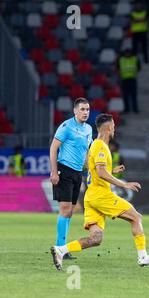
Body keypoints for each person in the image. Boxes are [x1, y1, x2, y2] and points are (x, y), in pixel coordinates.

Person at [51, 114, 149, 270]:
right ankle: (143, 256)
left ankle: (61, 250)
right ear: (109, 128)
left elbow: (93, 168)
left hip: (91, 196)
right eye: (114, 125)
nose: (115, 128)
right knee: (136, 217)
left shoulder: (95, 145)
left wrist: (111, 170)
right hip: (100, 194)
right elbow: (101, 173)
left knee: (96, 238)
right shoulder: (101, 146)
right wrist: (124, 184)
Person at [49, 98, 93, 260]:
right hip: (63, 170)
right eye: (82, 109)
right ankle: (60, 247)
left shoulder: (88, 129)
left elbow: (87, 155)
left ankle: (62, 248)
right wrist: (54, 172)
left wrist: (94, 170)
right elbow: (54, 148)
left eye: (87, 109)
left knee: (70, 212)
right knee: (65, 210)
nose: (85, 112)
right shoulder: (66, 126)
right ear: (75, 111)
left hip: (77, 173)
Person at [118, 48, 141, 114]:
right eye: (126, 53)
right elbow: (118, 68)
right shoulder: (121, 60)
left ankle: (135, 109)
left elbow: (139, 67)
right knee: (125, 95)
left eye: (128, 53)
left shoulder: (135, 59)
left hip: (132, 79)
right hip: (124, 79)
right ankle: (127, 109)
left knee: (133, 95)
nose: (127, 54)